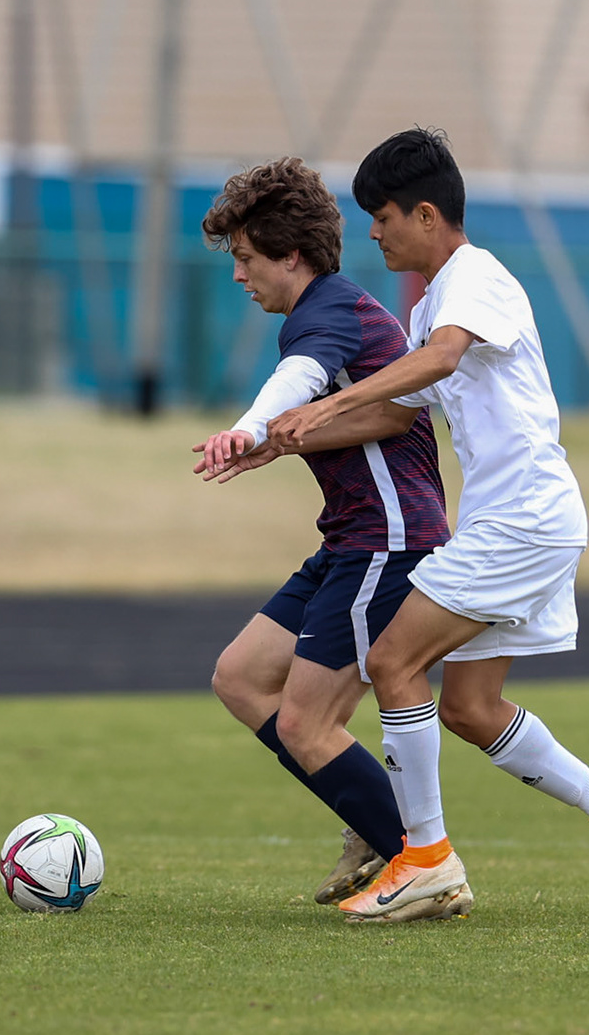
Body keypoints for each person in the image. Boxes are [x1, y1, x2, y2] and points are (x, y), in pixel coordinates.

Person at [259, 128, 589, 924]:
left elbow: (440, 362)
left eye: (382, 215)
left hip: (523, 521)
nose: (372, 231)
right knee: (470, 708)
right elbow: (396, 407)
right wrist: (280, 438)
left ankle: (427, 861)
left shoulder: (474, 279)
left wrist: (327, 401)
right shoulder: (434, 302)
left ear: (427, 214)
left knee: (391, 660)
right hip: (515, 521)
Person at [194, 157, 464, 912]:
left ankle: (425, 867)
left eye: (246, 259)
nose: (240, 276)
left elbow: (304, 380)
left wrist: (249, 429)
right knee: (242, 677)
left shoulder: (326, 315)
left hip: (388, 540)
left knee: (307, 724)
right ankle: (381, 832)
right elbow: (371, 416)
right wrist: (275, 447)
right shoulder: (337, 310)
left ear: (291, 256)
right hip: (351, 539)